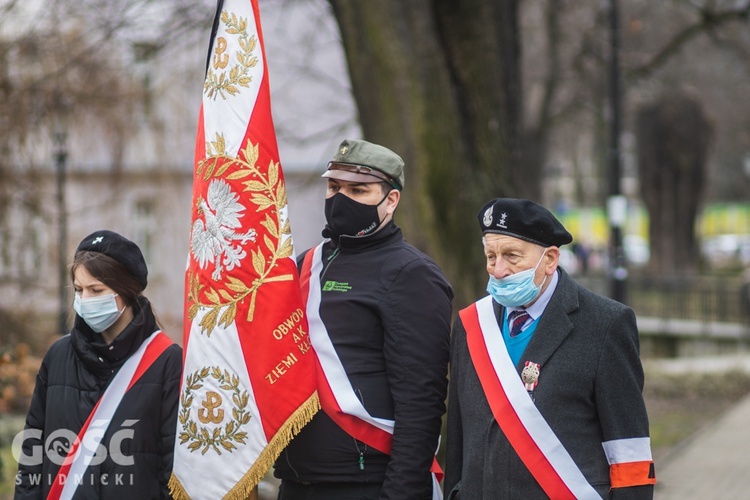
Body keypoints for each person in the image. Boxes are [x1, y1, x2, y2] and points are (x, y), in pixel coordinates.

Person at [274, 139, 454, 499]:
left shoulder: (412, 273)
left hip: (366, 483)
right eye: (334, 187)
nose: (341, 199)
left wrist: (401, 492)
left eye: (359, 189)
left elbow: (422, 400)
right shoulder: (304, 266)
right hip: (296, 480)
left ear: (391, 200)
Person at [444, 198, 655, 499]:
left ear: (550, 259)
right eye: (491, 256)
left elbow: (629, 451)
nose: (499, 270)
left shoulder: (606, 324)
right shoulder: (469, 326)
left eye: (512, 256)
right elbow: (459, 439)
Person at [15, 230, 182, 499]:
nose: (85, 300)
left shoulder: (166, 361)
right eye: (79, 290)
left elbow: (172, 468)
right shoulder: (57, 356)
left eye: (97, 290)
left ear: (126, 291)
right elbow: (32, 453)